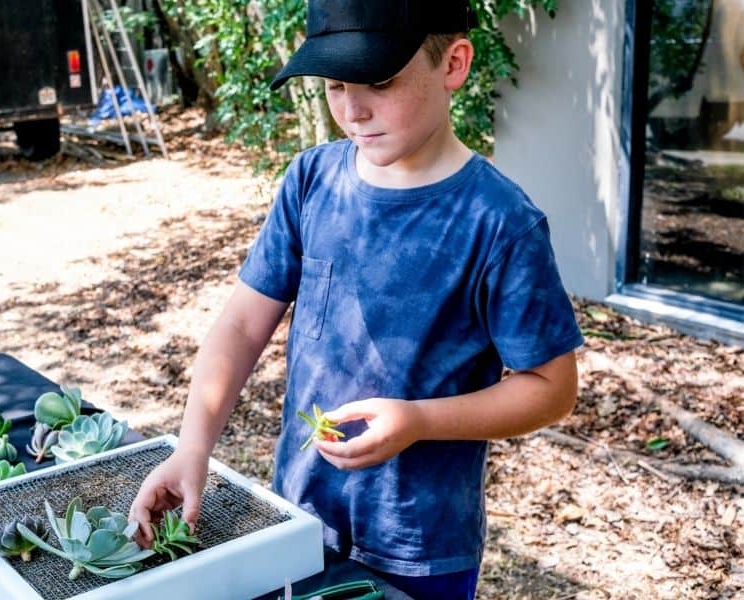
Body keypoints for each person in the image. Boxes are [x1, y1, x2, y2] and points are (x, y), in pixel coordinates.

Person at [130, 1, 583, 598]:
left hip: (420, 547)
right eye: (335, 85)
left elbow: (552, 388)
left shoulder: (500, 222)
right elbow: (242, 325)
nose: (352, 109)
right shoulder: (311, 181)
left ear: (453, 63)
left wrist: (417, 421)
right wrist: (193, 446)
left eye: (377, 81)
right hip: (295, 518)